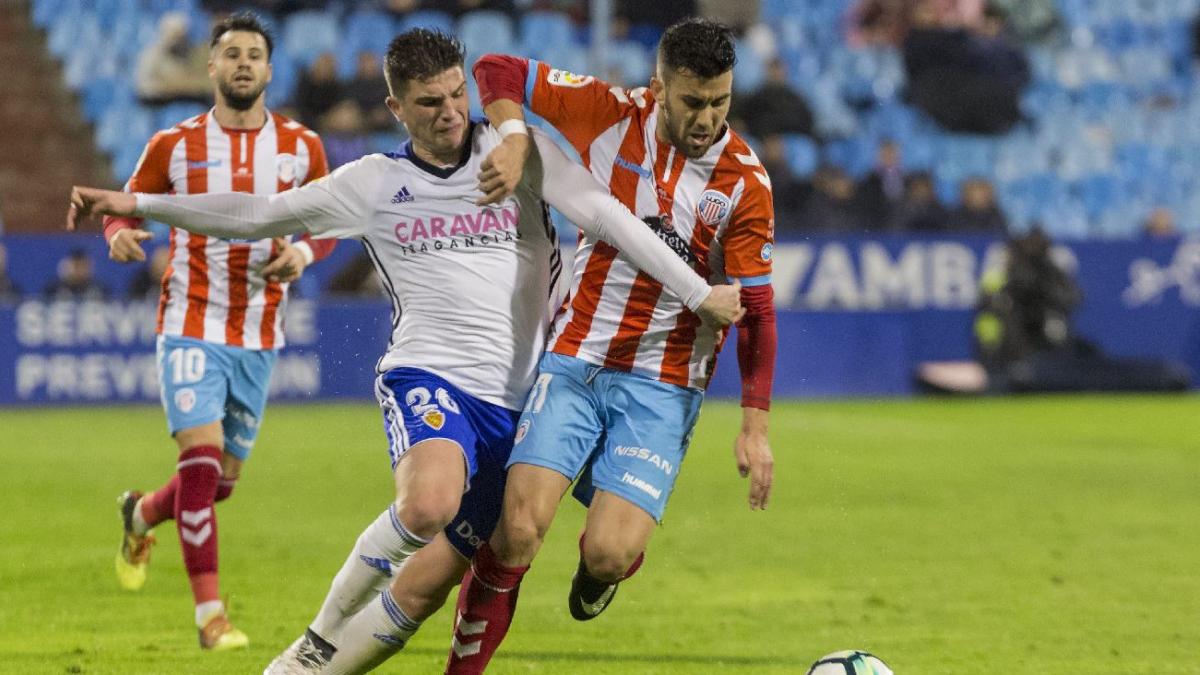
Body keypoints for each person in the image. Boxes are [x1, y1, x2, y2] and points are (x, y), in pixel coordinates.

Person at [67, 28, 743, 675]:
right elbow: (253, 216)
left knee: (428, 587)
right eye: (429, 102)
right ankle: (316, 639)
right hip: (430, 375)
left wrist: (696, 291)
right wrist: (133, 203)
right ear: (395, 107)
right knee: (427, 503)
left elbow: (607, 215)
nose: (451, 113)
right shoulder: (372, 184)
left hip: (525, 402)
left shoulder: (519, 152)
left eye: (457, 95)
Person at [446, 18, 777, 673]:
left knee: (607, 552)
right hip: (577, 358)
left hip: (665, 382)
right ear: (659, 88)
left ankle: (607, 563)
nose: (708, 117)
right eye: (693, 102)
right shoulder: (606, 112)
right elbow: (495, 69)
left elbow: (758, 310)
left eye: (721, 102)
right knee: (517, 529)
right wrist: (513, 136)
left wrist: (754, 424)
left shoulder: (744, 182)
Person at [102, 12, 337, 651]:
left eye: (254, 55)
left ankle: (143, 511)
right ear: (210, 67)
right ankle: (211, 618)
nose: (242, 63)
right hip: (189, 321)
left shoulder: (301, 147)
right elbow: (125, 205)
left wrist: (306, 255)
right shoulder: (173, 145)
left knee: (221, 482)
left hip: (259, 332)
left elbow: (335, 217)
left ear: (268, 69)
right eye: (230, 53)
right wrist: (118, 233)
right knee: (201, 467)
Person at [136, 12, 211, 106]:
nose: (178, 39)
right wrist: (174, 86)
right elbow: (145, 87)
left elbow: (205, 85)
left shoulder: (194, 53)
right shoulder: (150, 56)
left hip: (192, 102)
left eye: (181, 35)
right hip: (161, 104)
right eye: (174, 35)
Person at [42, 247, 109, 301]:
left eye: (83, 266)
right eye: (76, 266)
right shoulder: (54, 289)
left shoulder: (99, 290)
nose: (79, 270)